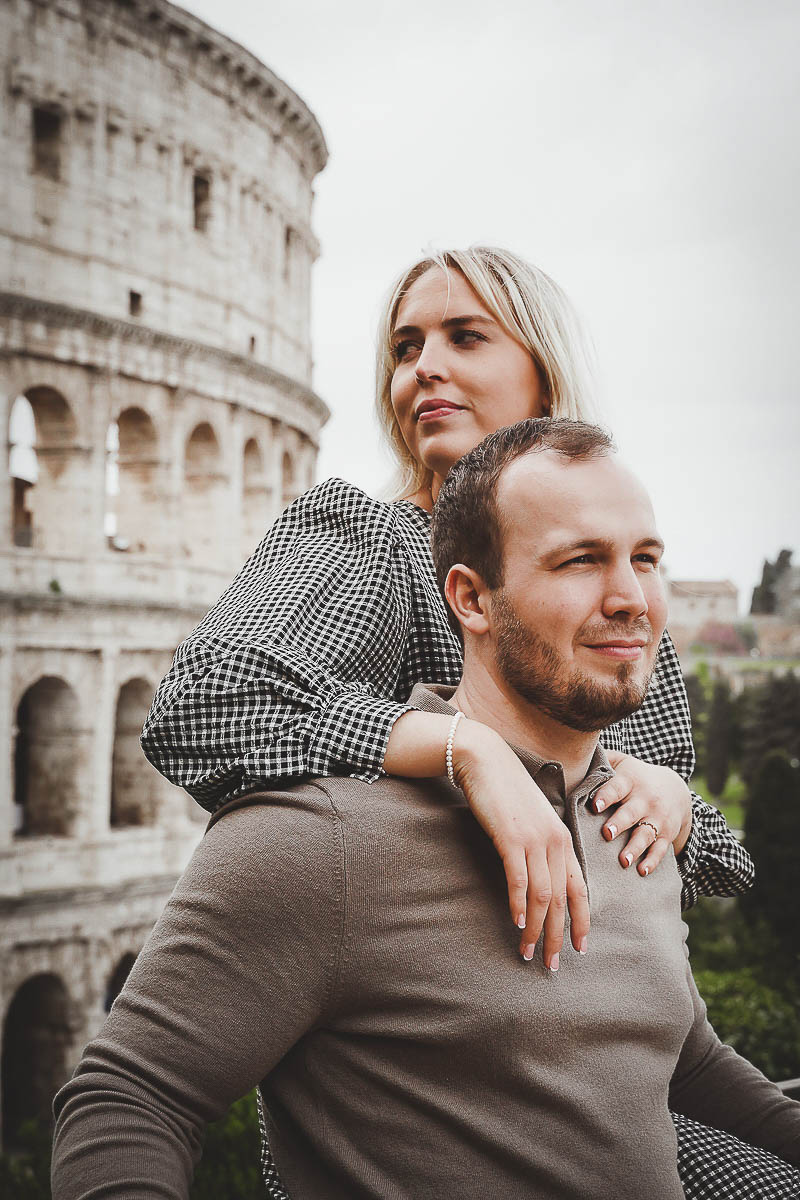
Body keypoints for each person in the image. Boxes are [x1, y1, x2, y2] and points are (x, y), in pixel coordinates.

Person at [52, 420, 800, 1200]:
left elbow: (685, 1057)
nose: (632, 599)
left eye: (646, 559)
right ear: (471, 599)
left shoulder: (636, 818)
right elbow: (129, 1098)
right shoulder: (323, 839)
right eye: (581, 560)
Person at [139, 247, 753, 1192]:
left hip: (592, 1062)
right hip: (415, 1092)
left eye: (465, 337)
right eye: (404, 346)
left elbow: (688, 862)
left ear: (545, 370)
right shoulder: (369, 538)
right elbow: (205, 705)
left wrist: (673, 797)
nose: (422, 367)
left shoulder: (615, 600)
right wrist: (463, 751)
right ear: (468, 596)